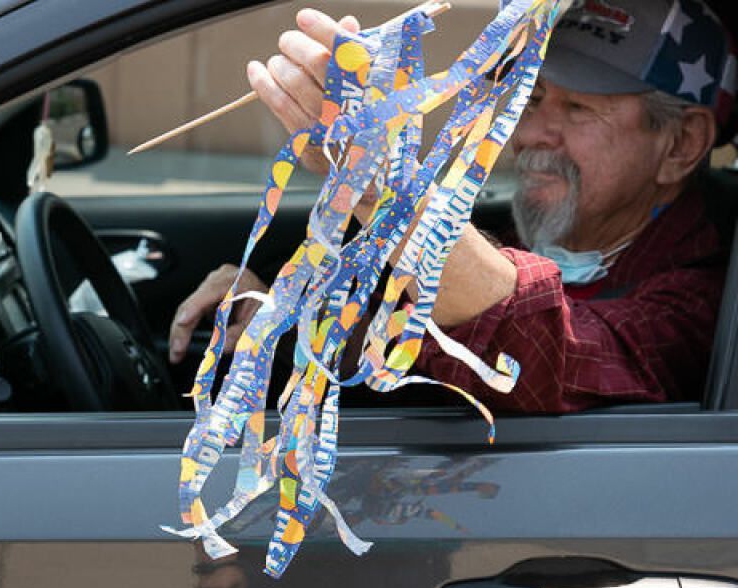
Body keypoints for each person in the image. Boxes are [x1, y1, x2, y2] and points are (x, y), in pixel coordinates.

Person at [169, 0, 733, 413]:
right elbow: (390, 344)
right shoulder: (520, 234)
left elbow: (538, 353)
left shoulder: (705, 299)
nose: (534, 133)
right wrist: (276, 313)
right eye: (529, 99)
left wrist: (375, 180)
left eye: (580, 109)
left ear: (680, 145)